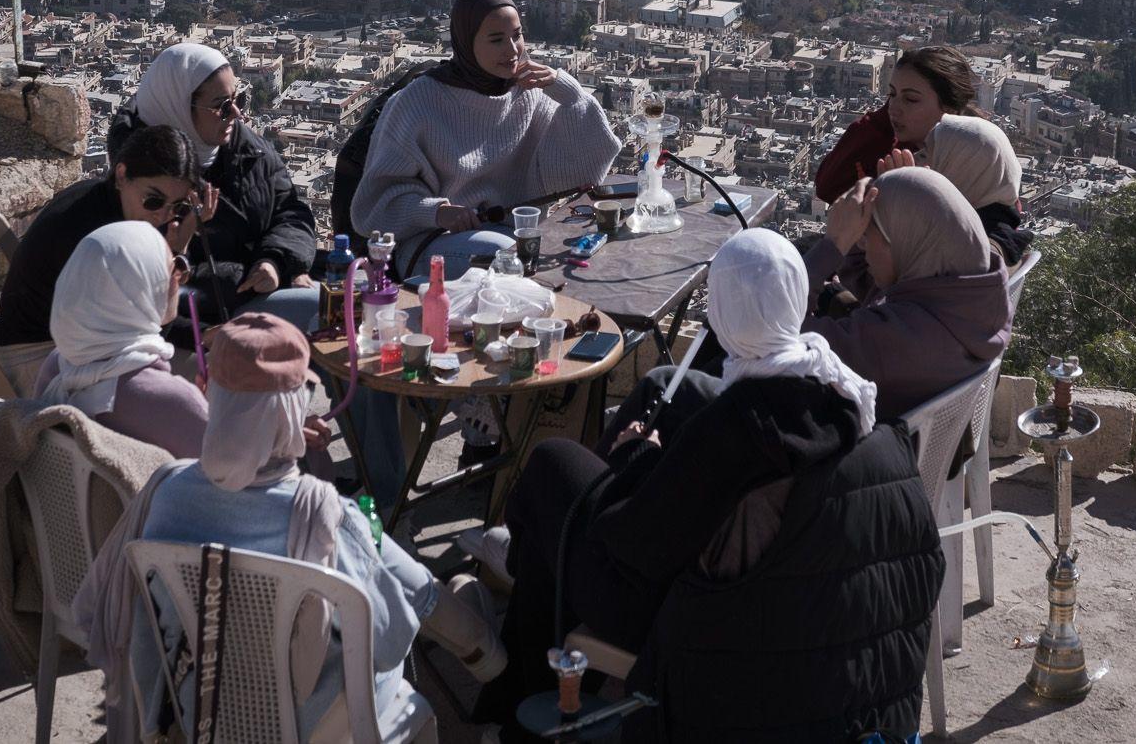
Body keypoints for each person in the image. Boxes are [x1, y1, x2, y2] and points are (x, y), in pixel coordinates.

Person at [472, 229, 943, 744]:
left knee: (552, 469)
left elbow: (631, 545)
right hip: (846, 667)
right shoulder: (853, 404)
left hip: (730, 650)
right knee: (559, 524)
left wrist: (635, 457)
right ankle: (527, 638)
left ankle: (524, 683)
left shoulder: (738, 432)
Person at [128, 314, 508, 740]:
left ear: (206, 391)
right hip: (311, 718)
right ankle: (483, 648)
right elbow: (389, 638)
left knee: (388, 565)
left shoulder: (166, 491)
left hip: (205, 700)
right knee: (398, 573)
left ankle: (477, 639)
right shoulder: (319, 514)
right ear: (292, 410)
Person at [351, 0, 621, 280]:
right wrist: (438, 212)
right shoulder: (418, 102)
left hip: (515, 236)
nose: (512, 50)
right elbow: (373, 208)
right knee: (513, 260)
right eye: (496, 40)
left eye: (517, 35)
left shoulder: (528, 91)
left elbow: (587, 170)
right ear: (467, 42)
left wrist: (566, 89)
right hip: (430, 243)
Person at [112, 41, 320, 330]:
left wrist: (276, 262)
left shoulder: (246, 148)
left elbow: (290, 211)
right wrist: (246, 278)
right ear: (179, 106)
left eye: (239, 99)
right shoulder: (146, 182)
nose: (237, 113)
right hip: (195, 325)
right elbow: (155, 276)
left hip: (256, 295)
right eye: (221, 106)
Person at [0, 125, 210, 393]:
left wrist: (204, 334)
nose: (164, 216)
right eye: (154, 200)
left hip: (75, 345)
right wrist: (176, 255)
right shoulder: (101, 239)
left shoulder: (111, 205)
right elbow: (144, 334)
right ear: (122, 175)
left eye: (178, 207)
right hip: (35, 357)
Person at [806, 165, 1010, 418]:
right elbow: (873, 279)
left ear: (905, 240)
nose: (860, 242)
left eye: (867, 234)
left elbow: (771, 331)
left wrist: (833, 244)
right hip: (927, 452)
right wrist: (904, 197)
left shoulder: (888, 341)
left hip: (865, 450)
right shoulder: (973, 305)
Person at [32, 221, 209, 459]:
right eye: (173, 267)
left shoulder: (56, 368)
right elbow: (231, 482)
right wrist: (210, 408)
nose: (180, 277)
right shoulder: (175, 401)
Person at [812, 45, 978, 205]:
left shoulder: (971, 166)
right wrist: (881, 121)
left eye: (911, 99)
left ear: (948, 109)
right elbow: (827, 188)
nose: (893, 108)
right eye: (892, 94)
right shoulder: (889, 149)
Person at [919, 113, 1031, 266]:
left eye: (924, 154)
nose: (915, 157)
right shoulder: (995, 236)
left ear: (960, 170)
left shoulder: (969, 254)